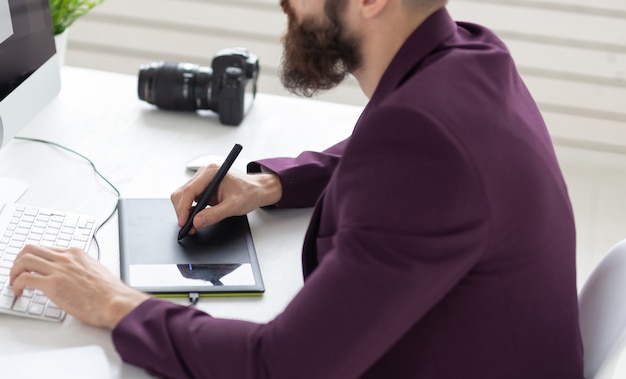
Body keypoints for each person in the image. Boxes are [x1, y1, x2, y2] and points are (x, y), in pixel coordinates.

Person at [10, 0, 584, 377]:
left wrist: (116, 303)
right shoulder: (467, 55)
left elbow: (283, 367)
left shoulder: (424, 141)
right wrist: (267, 184)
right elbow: (392, 161)